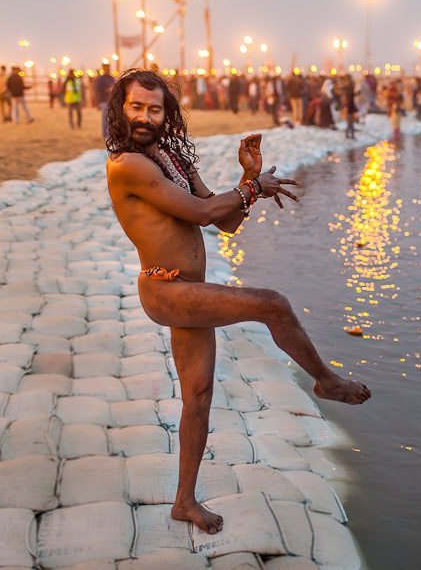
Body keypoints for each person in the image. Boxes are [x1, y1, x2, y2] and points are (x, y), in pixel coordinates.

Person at [104, 69, 371, 536]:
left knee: (199, 397)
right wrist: (251, 189)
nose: (145, 116)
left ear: (166, 114)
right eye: (136, 107)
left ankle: (184, 502)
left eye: (154, 108)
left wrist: (247, 180)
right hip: (166, 290)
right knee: (273, 304)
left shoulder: (169, 159)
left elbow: (223, 223)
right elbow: (202, 212)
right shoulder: (128, 165)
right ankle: (326, 381)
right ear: (120, 110)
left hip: (192, 292)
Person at [94, 61, 116, 138]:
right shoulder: (100, 79)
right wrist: (107, 90)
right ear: (103, 69)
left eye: (108, 68)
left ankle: (110, 134)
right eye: (106, 68)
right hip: (103, 100)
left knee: (111, 118)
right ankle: (105, 135)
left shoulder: (112, 78)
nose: (108, 69)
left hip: (111, 101)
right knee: (105, 118)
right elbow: (97, 90)